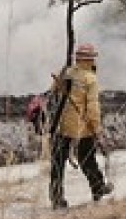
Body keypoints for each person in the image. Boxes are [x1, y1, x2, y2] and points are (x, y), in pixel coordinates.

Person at [49, 43, 114, 209]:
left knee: (58, 162)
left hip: (61, 124)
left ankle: (56, 197)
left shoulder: (67, 72)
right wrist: (97, 129)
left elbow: (54, 91)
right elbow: (92, 108)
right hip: (82, 126)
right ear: (91, 59)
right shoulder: (90, 79)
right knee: (87, 159)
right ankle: (98, 187)